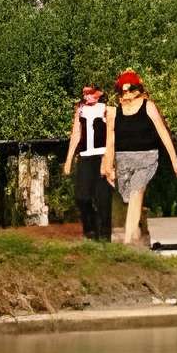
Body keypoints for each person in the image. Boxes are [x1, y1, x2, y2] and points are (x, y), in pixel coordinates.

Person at [105, 70, 177, 249]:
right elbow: (110, 140)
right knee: (128, 196)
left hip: (146, 158)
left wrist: (175, 162)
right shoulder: (114, 112)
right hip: (124, 160)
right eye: (123, 90)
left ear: (137, 89)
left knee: (135, 193)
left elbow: (163, 132)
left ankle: (127, 242)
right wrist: (109, 165)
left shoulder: (148, 106)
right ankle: (137, 234)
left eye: (130, 89)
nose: (127, 93)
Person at [65, 84, 113, 241]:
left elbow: (111, 136)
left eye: (91, 93)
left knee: (103, 198)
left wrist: (109, 161)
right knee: (82, 197)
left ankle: (105, 236)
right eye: (85, 94)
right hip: (85, 156)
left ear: (98, 94)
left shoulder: (106, 109)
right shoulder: (80, 110)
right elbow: (75, 134)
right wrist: (68, 160)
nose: (87, 97)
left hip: (101, 156)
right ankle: (90, 228)